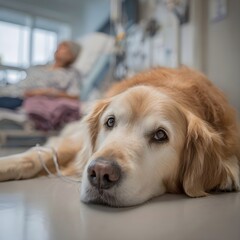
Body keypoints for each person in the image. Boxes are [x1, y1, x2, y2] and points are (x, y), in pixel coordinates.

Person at [0, 40, 82, 109]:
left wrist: (47, 92)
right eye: (58, 46)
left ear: (71, 55)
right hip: (11, 90)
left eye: (63, 48)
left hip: (22, 99)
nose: (58, 49)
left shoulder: (72, 73)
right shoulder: (41, 67)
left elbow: (75, 96)